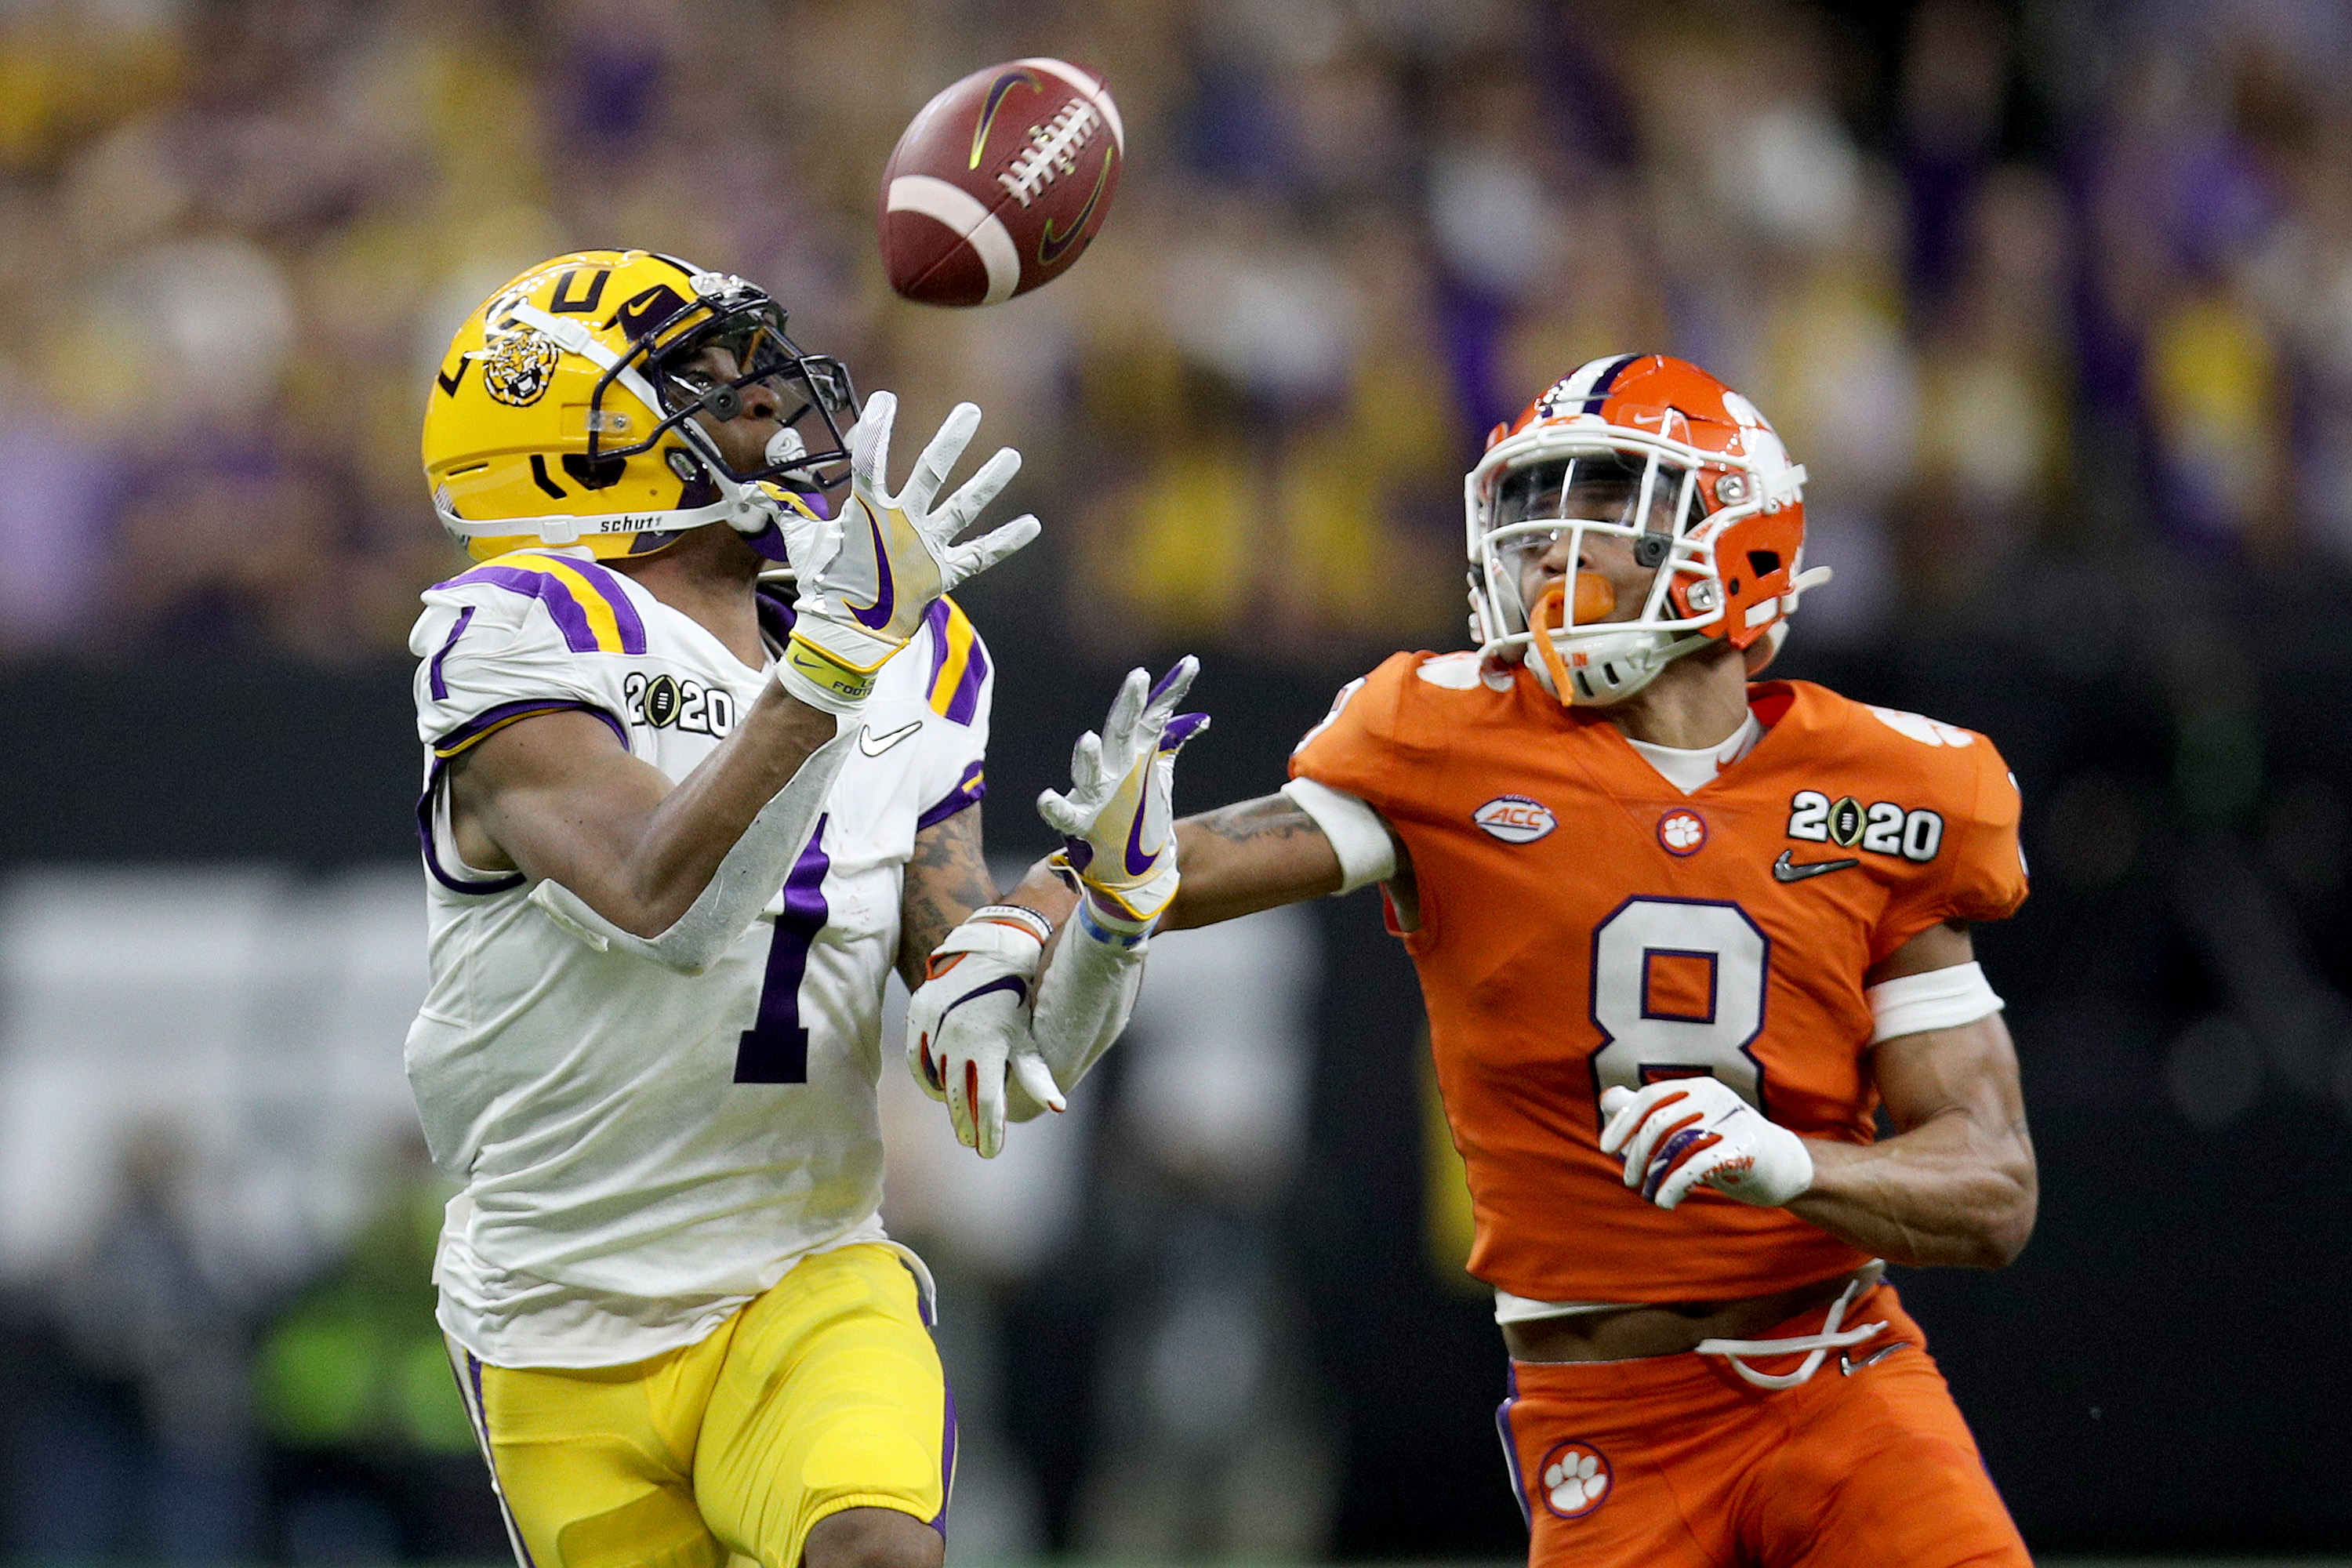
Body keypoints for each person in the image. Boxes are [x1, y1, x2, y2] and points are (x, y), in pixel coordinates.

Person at [914, 355, 2037, 1567]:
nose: (1556, 547)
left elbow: (1991, 1190)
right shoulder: (1450, 736)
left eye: (1610, 503)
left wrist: (1791, 1166)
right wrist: (1026, 916)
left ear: (1744, 540)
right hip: (1607, 1422)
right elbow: (1178, 863)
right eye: (1538, 507)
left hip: (1842, 1378)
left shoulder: (1893, 787)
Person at [403, 247, 1161, 1568]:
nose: (764, 400)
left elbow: (993, 1034)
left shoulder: (917, 648)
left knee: (876, 1548)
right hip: (556, 1316)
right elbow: (661, 904)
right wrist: (826, 666)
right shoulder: (519, 627)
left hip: (803, 1271)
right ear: (571, 453)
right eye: (701, 380)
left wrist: (1104, 918)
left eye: (752, 365)